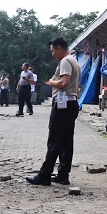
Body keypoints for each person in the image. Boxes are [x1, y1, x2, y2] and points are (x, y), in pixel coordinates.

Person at [26, 37, 81, 186]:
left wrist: (52, 82)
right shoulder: (74, 60)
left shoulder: (65, 61)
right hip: (71, 103)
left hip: (63, 105)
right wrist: (44, 82)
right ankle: (63, 174)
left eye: (53, 51)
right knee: (66, 141)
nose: (52, 54)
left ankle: (44, 175)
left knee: (55, 140)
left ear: (58, 48)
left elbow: (63, 83)